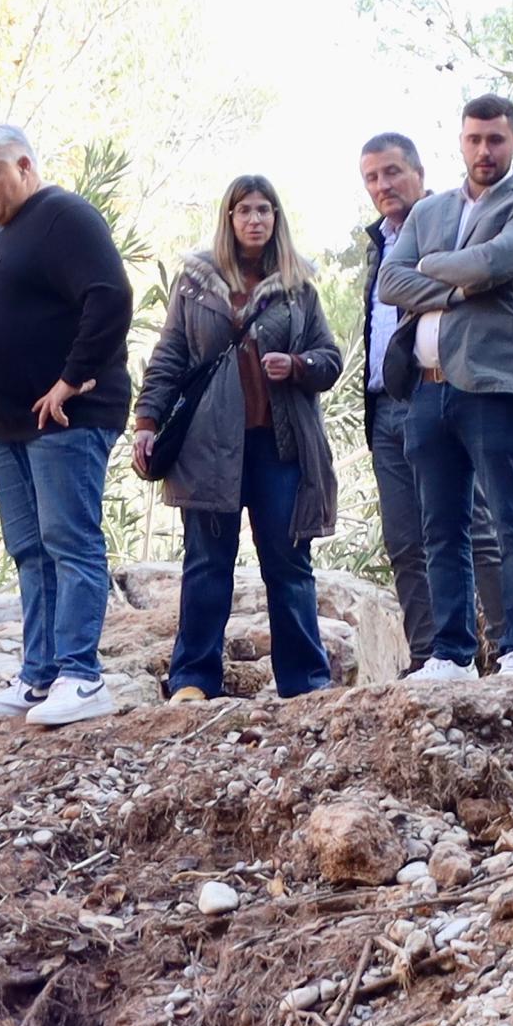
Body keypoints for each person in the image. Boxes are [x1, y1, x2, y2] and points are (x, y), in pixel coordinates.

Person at [0, 122, 135, 726]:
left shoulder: (64, 216)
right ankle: (39, 676)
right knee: (31, 551)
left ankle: (82, 676)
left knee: (70, 542)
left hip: (65, 420)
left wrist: (73, 377)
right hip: (11, 428)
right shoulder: (3, 234)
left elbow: (110, 296)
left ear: (25, 167)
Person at [132, 175, 344, 701]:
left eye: (264, 210)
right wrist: (146, 422)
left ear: (277, 218)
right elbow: (170, 359)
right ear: (229, 219)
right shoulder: (196, 283)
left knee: (289, 565)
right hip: (206, 448)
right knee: (206, 564)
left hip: (281, 447)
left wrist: (297, 364)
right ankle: (193, 680)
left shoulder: (299, 287)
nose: (255, 219)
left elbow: (330, 359)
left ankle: (305, 683)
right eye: (244, 210)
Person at [377, 93, 513, 677]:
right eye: (475, 139)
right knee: (441, 527)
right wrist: (456, 286)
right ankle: (451, 654)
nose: (485, 150)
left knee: (510, 519)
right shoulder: (430, 212)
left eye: (496, 140)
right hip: (427, 388)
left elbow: (495, 262)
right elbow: (389, 280)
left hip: (495, 383)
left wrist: (431, 267)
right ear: (460, 141)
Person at [350, 129, 491, 654]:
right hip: (385, 403)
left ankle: (509, 647)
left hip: (444, 390)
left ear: (418, 173)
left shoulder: (455, 223)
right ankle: (431, 654)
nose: (383, 185)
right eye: (372, 177)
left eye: (392, 172)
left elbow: (476, 291)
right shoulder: (378, 244)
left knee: (474, 529)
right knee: (406, 541)